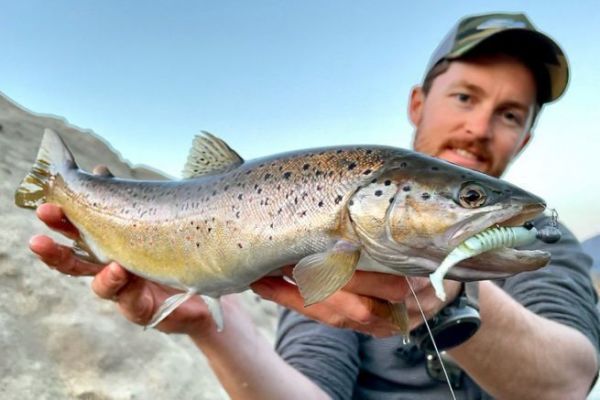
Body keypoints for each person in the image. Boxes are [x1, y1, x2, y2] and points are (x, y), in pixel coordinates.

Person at [29, 12, 599, 399]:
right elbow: (310, 386)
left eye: (510, 114)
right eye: (466, 97)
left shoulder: (541, 238)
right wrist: (211, 328)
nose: (480, 127)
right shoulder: (320, 245)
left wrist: (447, 289)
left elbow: (571, 380)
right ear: (418, 103)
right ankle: (64, 184)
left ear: (524, 139)